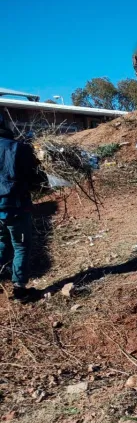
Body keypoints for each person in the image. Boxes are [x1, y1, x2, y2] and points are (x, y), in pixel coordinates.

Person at [0, 114, 45, 301]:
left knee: (1, 243)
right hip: (15, 206)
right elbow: (35, 177)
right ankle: (19, 289)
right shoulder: (19, 148)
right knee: (21, 246)